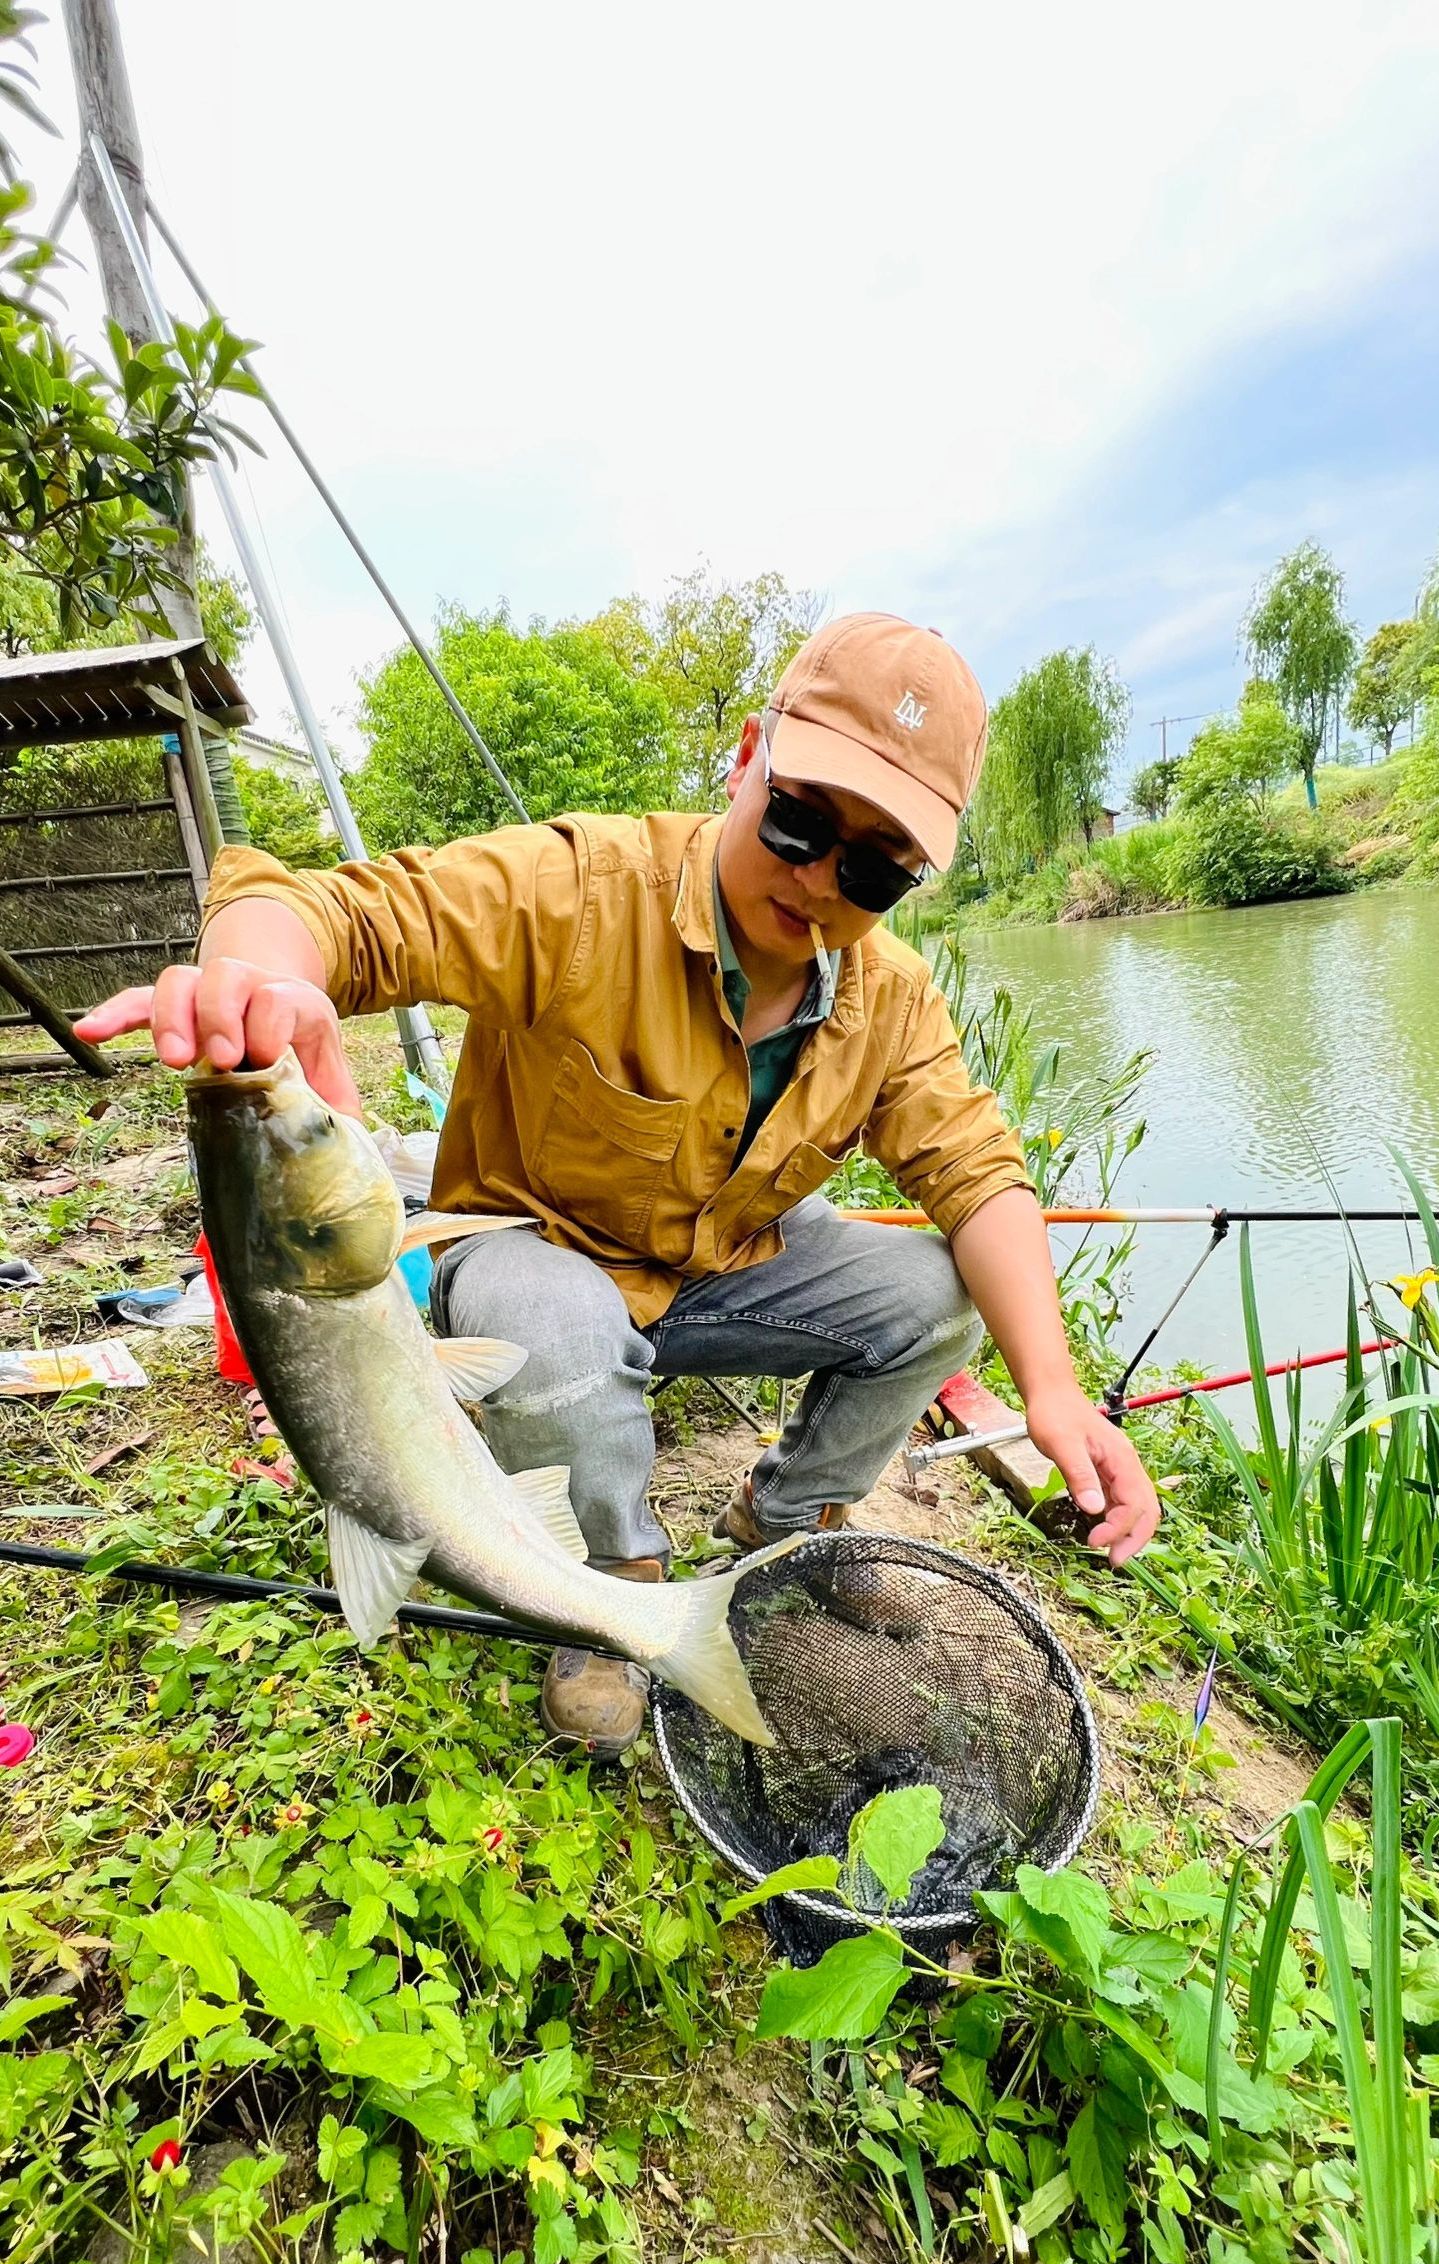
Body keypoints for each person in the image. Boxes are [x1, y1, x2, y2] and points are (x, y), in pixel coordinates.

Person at [78, 611, 1160, 1756]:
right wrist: (252, 979)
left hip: (715, 1272)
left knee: (942, 1291)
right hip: (528, 1267)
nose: (816, 879)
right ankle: (611, 1584)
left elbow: (977, 1174)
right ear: (748, 755)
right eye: (796, 820)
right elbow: (328, 913)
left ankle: (789, 1520)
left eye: (873, 867)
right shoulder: (580, 885)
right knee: (556, 1326)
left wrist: (1053, 1388)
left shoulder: (890, 1001)